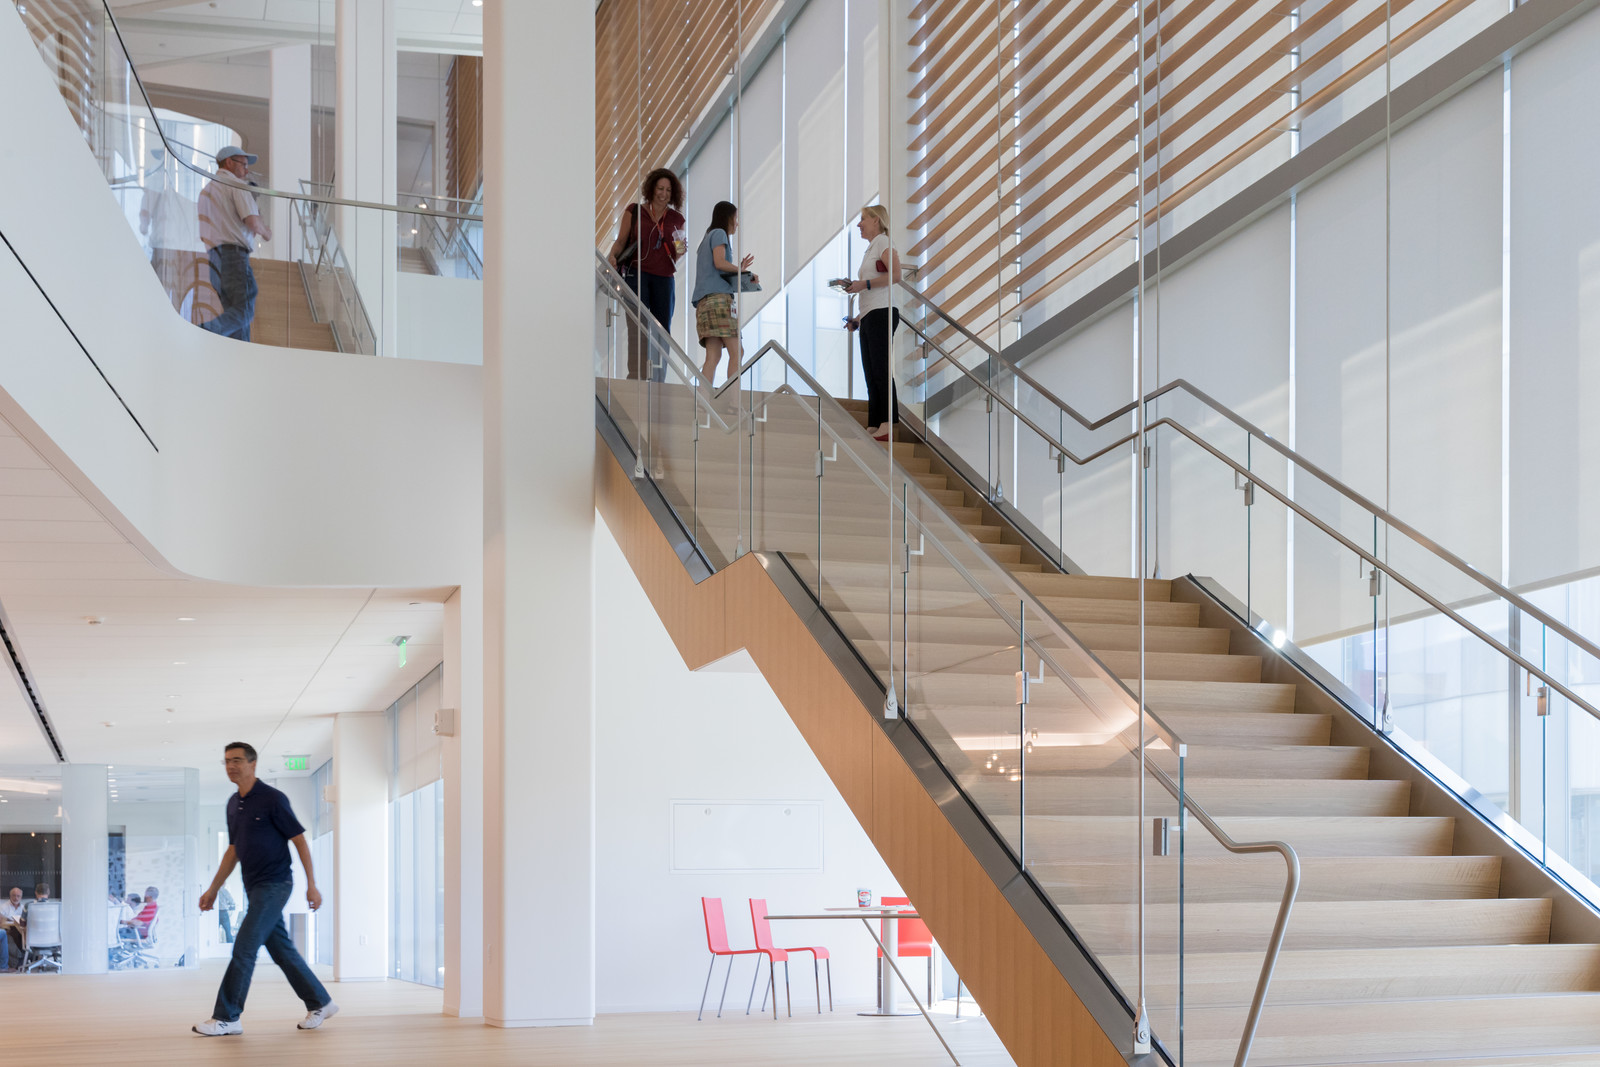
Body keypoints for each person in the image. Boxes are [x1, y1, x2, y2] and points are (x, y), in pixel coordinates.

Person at [193, 741, 337, 1037]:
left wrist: (312, 885)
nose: (231, 766)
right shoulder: (233, 804)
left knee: (244, 948)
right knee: (282, 950)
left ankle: (228, 1017)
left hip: (275, 885)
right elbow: (233, 850)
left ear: (252, 764)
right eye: (227, 761)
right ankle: (321, 1002)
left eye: (237, 760)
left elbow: (298, 840)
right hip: (254, 887)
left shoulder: (273, 798)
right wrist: (212, 890)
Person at [607, 168, 686, 381]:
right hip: (636, 274)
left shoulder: (676, 218)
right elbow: (621, 241)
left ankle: (658, 378)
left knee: (662, 330)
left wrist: (681, 250)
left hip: (664, 278)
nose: (664, 194)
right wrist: (612, 257)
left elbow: (675, 254)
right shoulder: (634, 211)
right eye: (660, 188)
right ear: (651, 189)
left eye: (669, 190)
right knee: (637, 327)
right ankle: (636, 376)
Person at [197, 146, 271, 342]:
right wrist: (266, 231)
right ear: (229, 162)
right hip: (234, 257)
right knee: (244, 311)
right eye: (244, 165)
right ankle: (205, 331)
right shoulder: (236, 185)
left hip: (213, 260)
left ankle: (240, 360)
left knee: (236, 317)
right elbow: (253, 223)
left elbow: (204, 233)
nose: (246, 171)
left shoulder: (206, 191)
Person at [842, 206, 903, 440]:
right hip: (870, 314)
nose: (859, 224)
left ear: (876, 220)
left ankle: (887, 423)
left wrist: (863, 285)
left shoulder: (883, 241)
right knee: (870, 371)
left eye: (862, 219)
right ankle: (875, 423)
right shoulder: (871, 248)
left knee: (880, 368)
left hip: (882, 313)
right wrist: (857, 319)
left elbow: (895, 275)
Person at [690, 201, 757, 388]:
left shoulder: (706, 239)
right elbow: (719, 262)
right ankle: (734, 401)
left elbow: (715, 269)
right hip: (719, 301)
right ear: (728, 217)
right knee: (737, 352)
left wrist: (739, 269)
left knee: (713, 356)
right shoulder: (719, 234)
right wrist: (743, 273)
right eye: (735, 218)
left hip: (705, 304)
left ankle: (704, 400)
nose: (737, 223)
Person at [0, 887, 23, 971]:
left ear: (21, 897)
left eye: (18, 896)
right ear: (10, 896)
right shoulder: (3, 907)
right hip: (7, 930)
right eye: (13, 895)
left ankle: (21, 960)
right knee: (9, 937)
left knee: (22, 937)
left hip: (20, 931)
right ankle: (16, 962)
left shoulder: (23, 908)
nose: (15, 898)